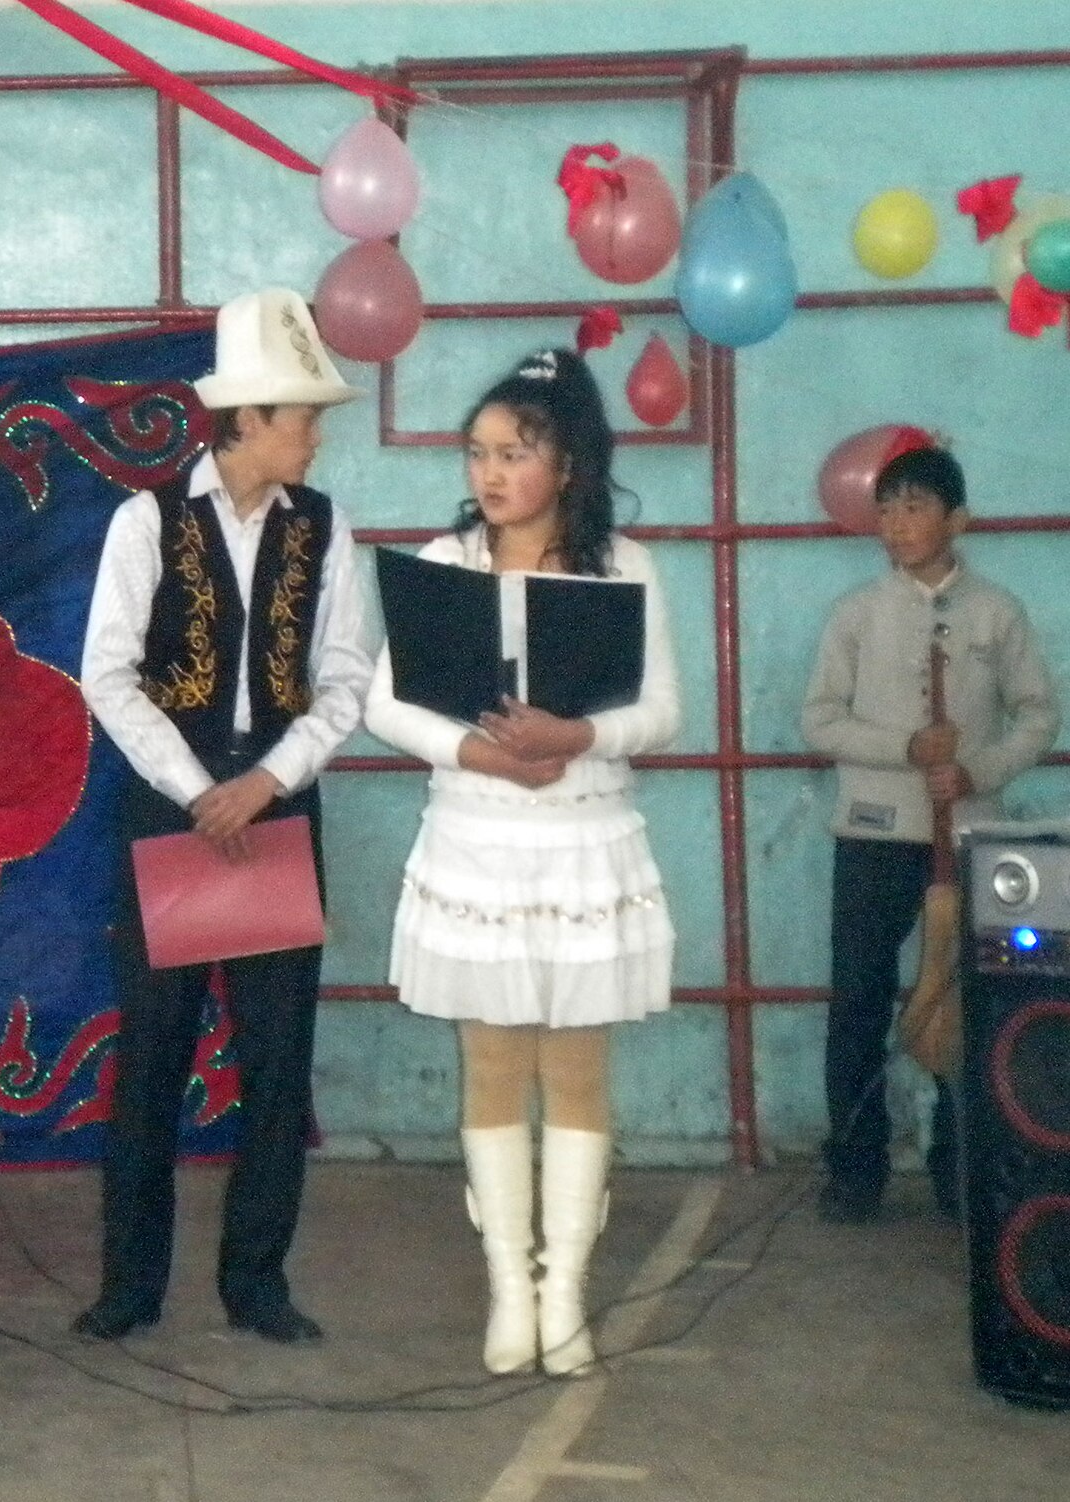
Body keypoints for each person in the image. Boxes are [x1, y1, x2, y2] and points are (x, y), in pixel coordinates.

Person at [363, 347, 679, 1378]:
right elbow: (383, 700)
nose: (489, 473)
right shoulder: (443, 562)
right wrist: (481, 749)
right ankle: (508, 1282)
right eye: (477, 452)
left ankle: (564, 1291)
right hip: (476, 837)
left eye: (514, 452)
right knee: (492, 1059)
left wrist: (571, 736)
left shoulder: (621, 565)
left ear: (570, 464)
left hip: (585, 839)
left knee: (576, 1067)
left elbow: (661, 710)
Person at [75, 288, 376, 1344]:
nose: (315, 432)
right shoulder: (144, 521)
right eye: (302, 412)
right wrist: (195, 786)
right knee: (151, 1054)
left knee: (275, 1058)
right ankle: (129, 1284)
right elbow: (106, 677)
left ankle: (256, 1281)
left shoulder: (324, 529)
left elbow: (343, 678)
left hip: (276, 805)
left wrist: (267, 776)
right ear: (246, 417)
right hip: (170, 811)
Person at [801, 443, 1058, 1225]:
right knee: (859, 1001)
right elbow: (819, 721)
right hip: (875, 835)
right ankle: (855, 1169)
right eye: (887, 508)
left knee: (966, 1003)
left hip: (973, 839)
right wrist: (905, 750)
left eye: (914, 507)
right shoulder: (856, 613)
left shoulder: (996, 611)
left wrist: (977, 770)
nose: (897, 523)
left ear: (958, 519)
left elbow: (1039, 714)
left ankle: (962, 1170)